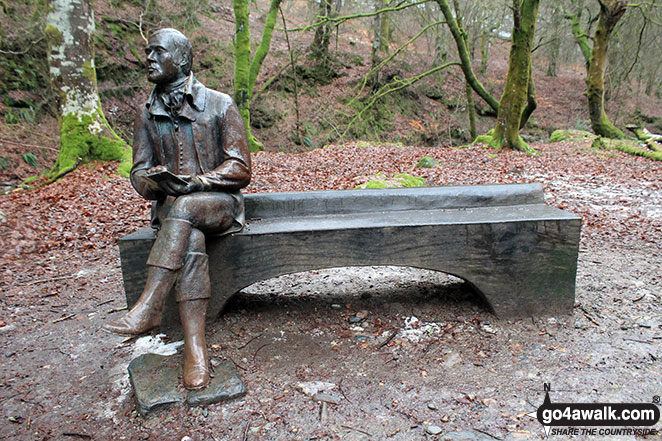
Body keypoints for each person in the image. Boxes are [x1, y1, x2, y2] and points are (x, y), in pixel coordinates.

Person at [103, 28, 251, 389]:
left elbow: (241, 168)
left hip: (220, 205)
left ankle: (151, 305)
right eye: (147, 51)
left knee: (185, 208)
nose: (149, 58)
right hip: (176, 217)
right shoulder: (146, 113)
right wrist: (154, 182)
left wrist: (198, 182)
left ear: (182, 59)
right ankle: (196, 350)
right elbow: (138, 173)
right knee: (190, 238)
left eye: (158, 52)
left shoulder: (220, 104)